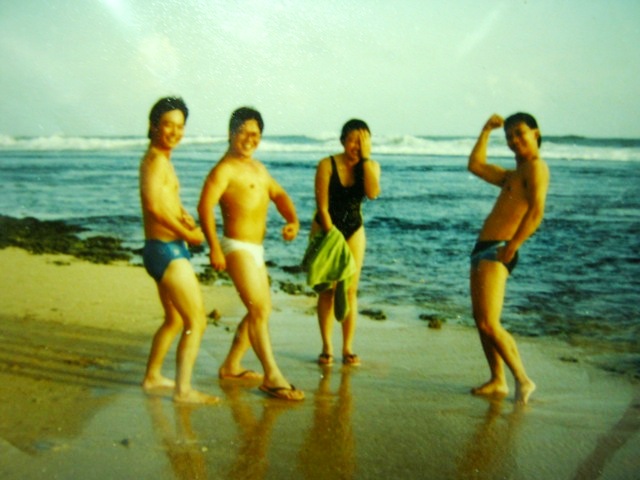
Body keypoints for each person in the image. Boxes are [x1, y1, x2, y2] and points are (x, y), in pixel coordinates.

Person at [198, 107, 304, 401]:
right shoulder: (224, 169)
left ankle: (231, 366)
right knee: (259, 310)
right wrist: (214, 247)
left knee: (261, 310)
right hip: (235, 246)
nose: (249, 138)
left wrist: (292, 220)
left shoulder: (259, 168)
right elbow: (205, 206)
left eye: (255, 134)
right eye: (243, 132)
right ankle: (272, 376)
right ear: (231, 133)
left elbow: (279, 194)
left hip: (256, 249)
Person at [139, 97, 219, 405]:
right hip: (166, 250)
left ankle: (152, 377)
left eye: (180, 126)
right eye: (168, 125)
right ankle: (183, 390)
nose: (174, 132)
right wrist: (190, 235)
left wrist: (184, 215)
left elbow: (166, 202)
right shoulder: (156, 161)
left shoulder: (161, 159)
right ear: (154, 126)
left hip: (164, 248)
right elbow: (152, 206)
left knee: (173, 319)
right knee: (196, 321)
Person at [467, 112, 550, 404]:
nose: (514, 140)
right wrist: (486, 130)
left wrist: (513, 245)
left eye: (520, 133)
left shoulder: (536, 168)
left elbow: (536, 212)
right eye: (509, 136)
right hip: (484, 249)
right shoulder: (513, 175)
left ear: (536, 133)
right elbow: (475, 165)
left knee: (489, 323)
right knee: (482, 322)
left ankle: (523, 380)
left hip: (500, 248)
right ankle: (497, 380)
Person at [311, 119, 381, 367]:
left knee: (350, 289)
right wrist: (332, 237)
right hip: (325, 228)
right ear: (342, 141)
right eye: (352, 140)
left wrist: (366, 159)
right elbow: (322, 206)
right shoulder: (327, 164)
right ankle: (327, 347)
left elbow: (372, 193)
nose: (356, 146)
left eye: (362, 141)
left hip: (354, 230)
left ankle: (348, 347)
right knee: (328, 291)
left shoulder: (371, 166)